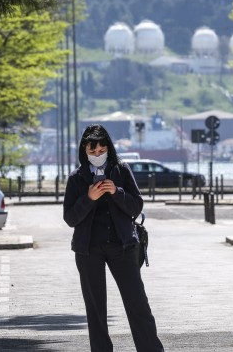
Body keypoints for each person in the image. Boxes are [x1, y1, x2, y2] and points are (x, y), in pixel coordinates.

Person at [63, 124, 164, 352]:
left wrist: (116, 192)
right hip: (88, 250)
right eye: (93, 151)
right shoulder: (76, 178)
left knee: (138, 304)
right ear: (85, 151)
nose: (98, 155)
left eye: (102, 150)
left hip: (123, 246)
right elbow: (70, 218)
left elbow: (136, 206)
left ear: (108, 148)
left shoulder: (121, 170)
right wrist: (88, 198)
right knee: (96, 309)